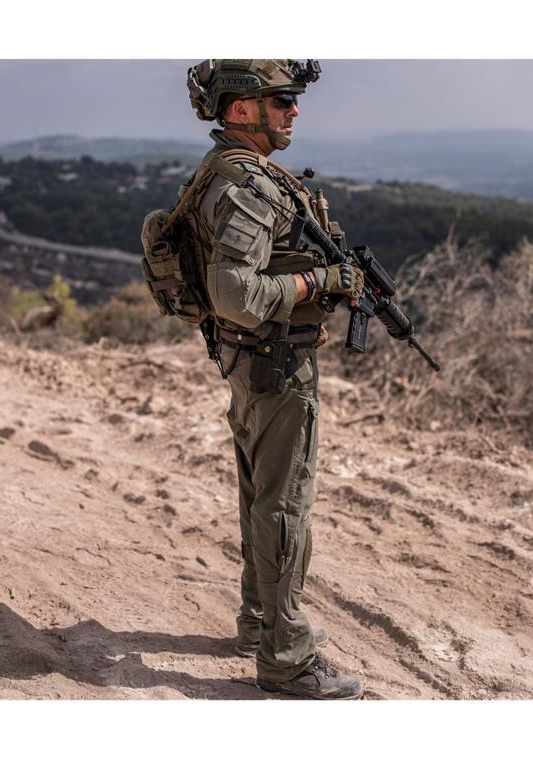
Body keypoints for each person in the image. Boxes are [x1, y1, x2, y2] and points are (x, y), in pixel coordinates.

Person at [182, 59, 364, 699]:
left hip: (256, 361)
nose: (294, 110)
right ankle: (286, 659)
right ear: (240, 110)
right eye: (281, 99)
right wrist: (321, 282)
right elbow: (233, 292)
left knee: (264, 497)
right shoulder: (244, 186)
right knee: (284, 506)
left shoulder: (240, 172)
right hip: (276, 365)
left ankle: (260, 621)